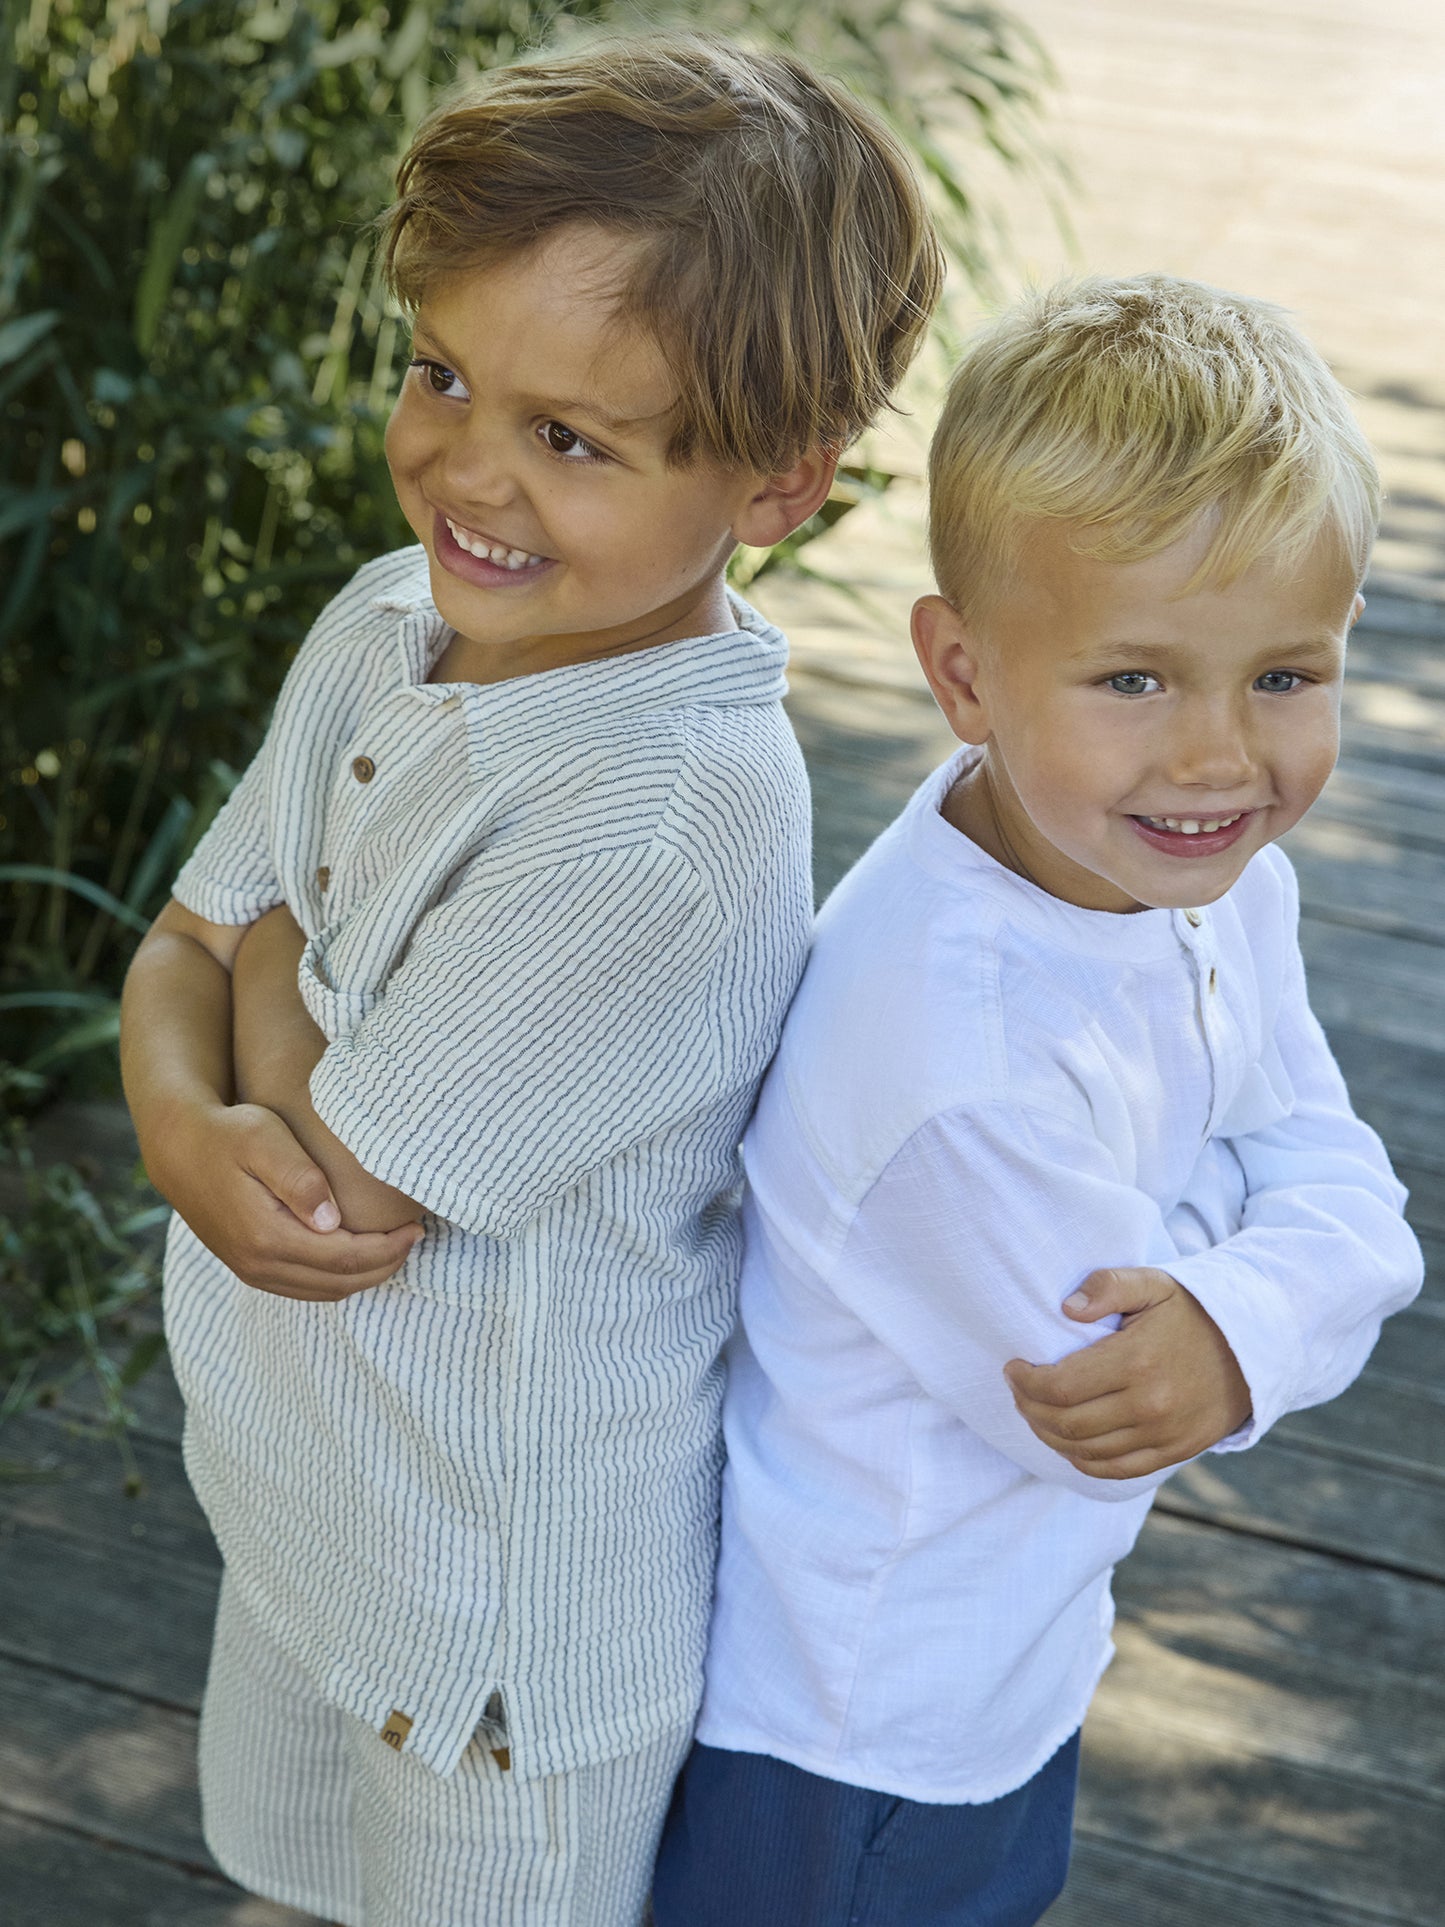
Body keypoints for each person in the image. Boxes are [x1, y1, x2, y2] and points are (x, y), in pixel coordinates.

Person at [118, 33, 942, 1927]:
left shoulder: (664, 821)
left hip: (499, 1630)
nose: (465, 470)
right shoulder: (388, 612)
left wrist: (258, 966)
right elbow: (186, 938)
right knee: (292, 1877)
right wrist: (177, 1117)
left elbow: (342, 1188)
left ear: (778, 484)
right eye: (441, 375)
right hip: (309, 1506)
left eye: (571, 440)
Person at [651, 274, 1424, 1927]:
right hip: (861, 1719)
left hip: (1018, 1652)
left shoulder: (1202, 876)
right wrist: (1277, 1261)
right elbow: (1099, 1413)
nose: (1217, 758)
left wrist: (1229, 1303)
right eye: (1133, 681)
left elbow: (1333, 1176)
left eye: (1283, 676)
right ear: (962, 671)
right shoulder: (956, 1056)